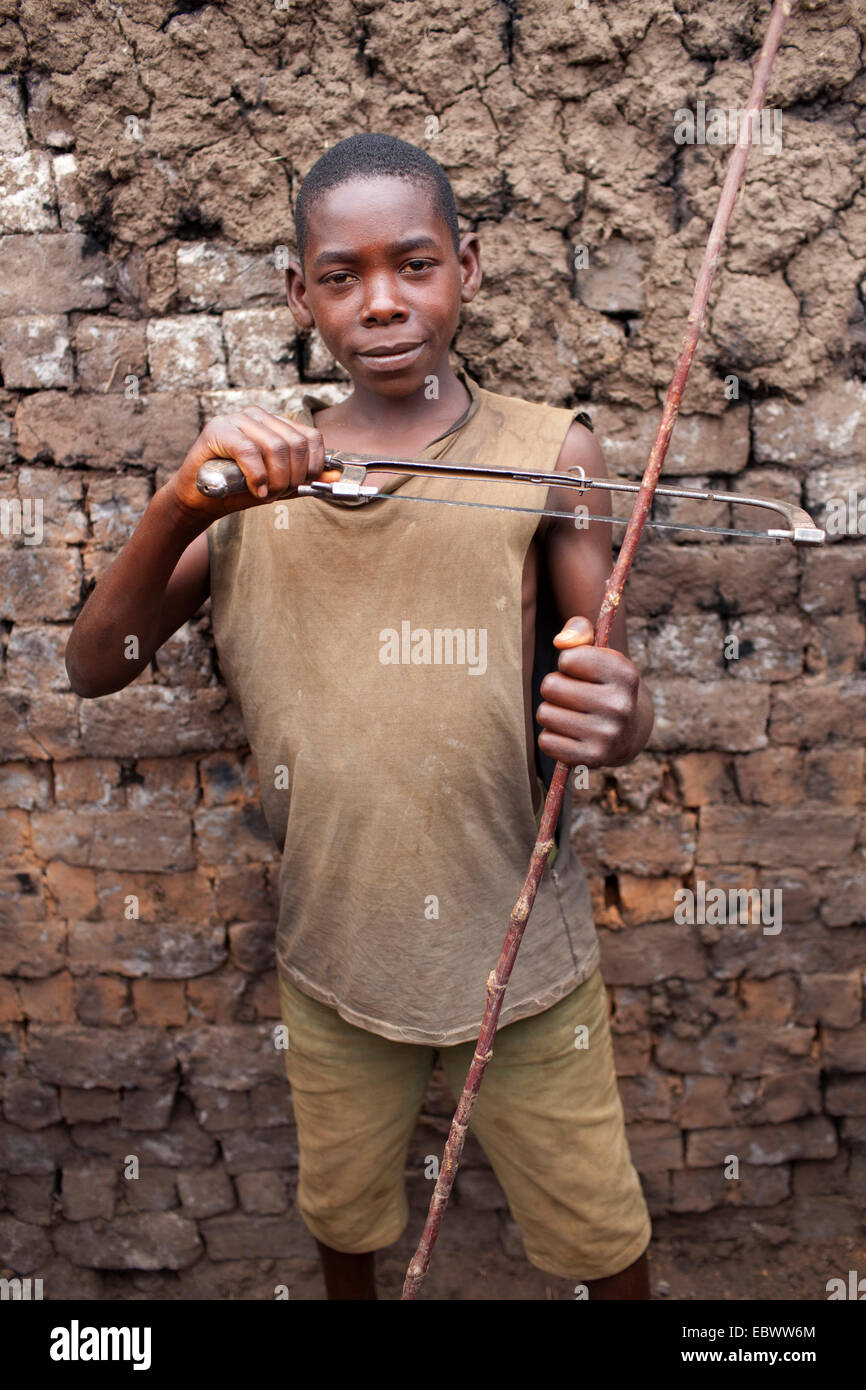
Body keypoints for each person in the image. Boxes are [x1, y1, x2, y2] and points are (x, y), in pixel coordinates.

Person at [66, 133, 655, 1301]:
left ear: (467, 268)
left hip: (520, 958)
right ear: (300, 293)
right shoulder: (249, 480)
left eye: (415, 264)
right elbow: (98, 665)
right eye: (341, 275)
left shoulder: (549, 452)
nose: (382, 302)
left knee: (601, 1243)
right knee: (343, 1220)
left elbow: (611, 702)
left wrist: (619, 715)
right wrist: (181, 503)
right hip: (335, 960)